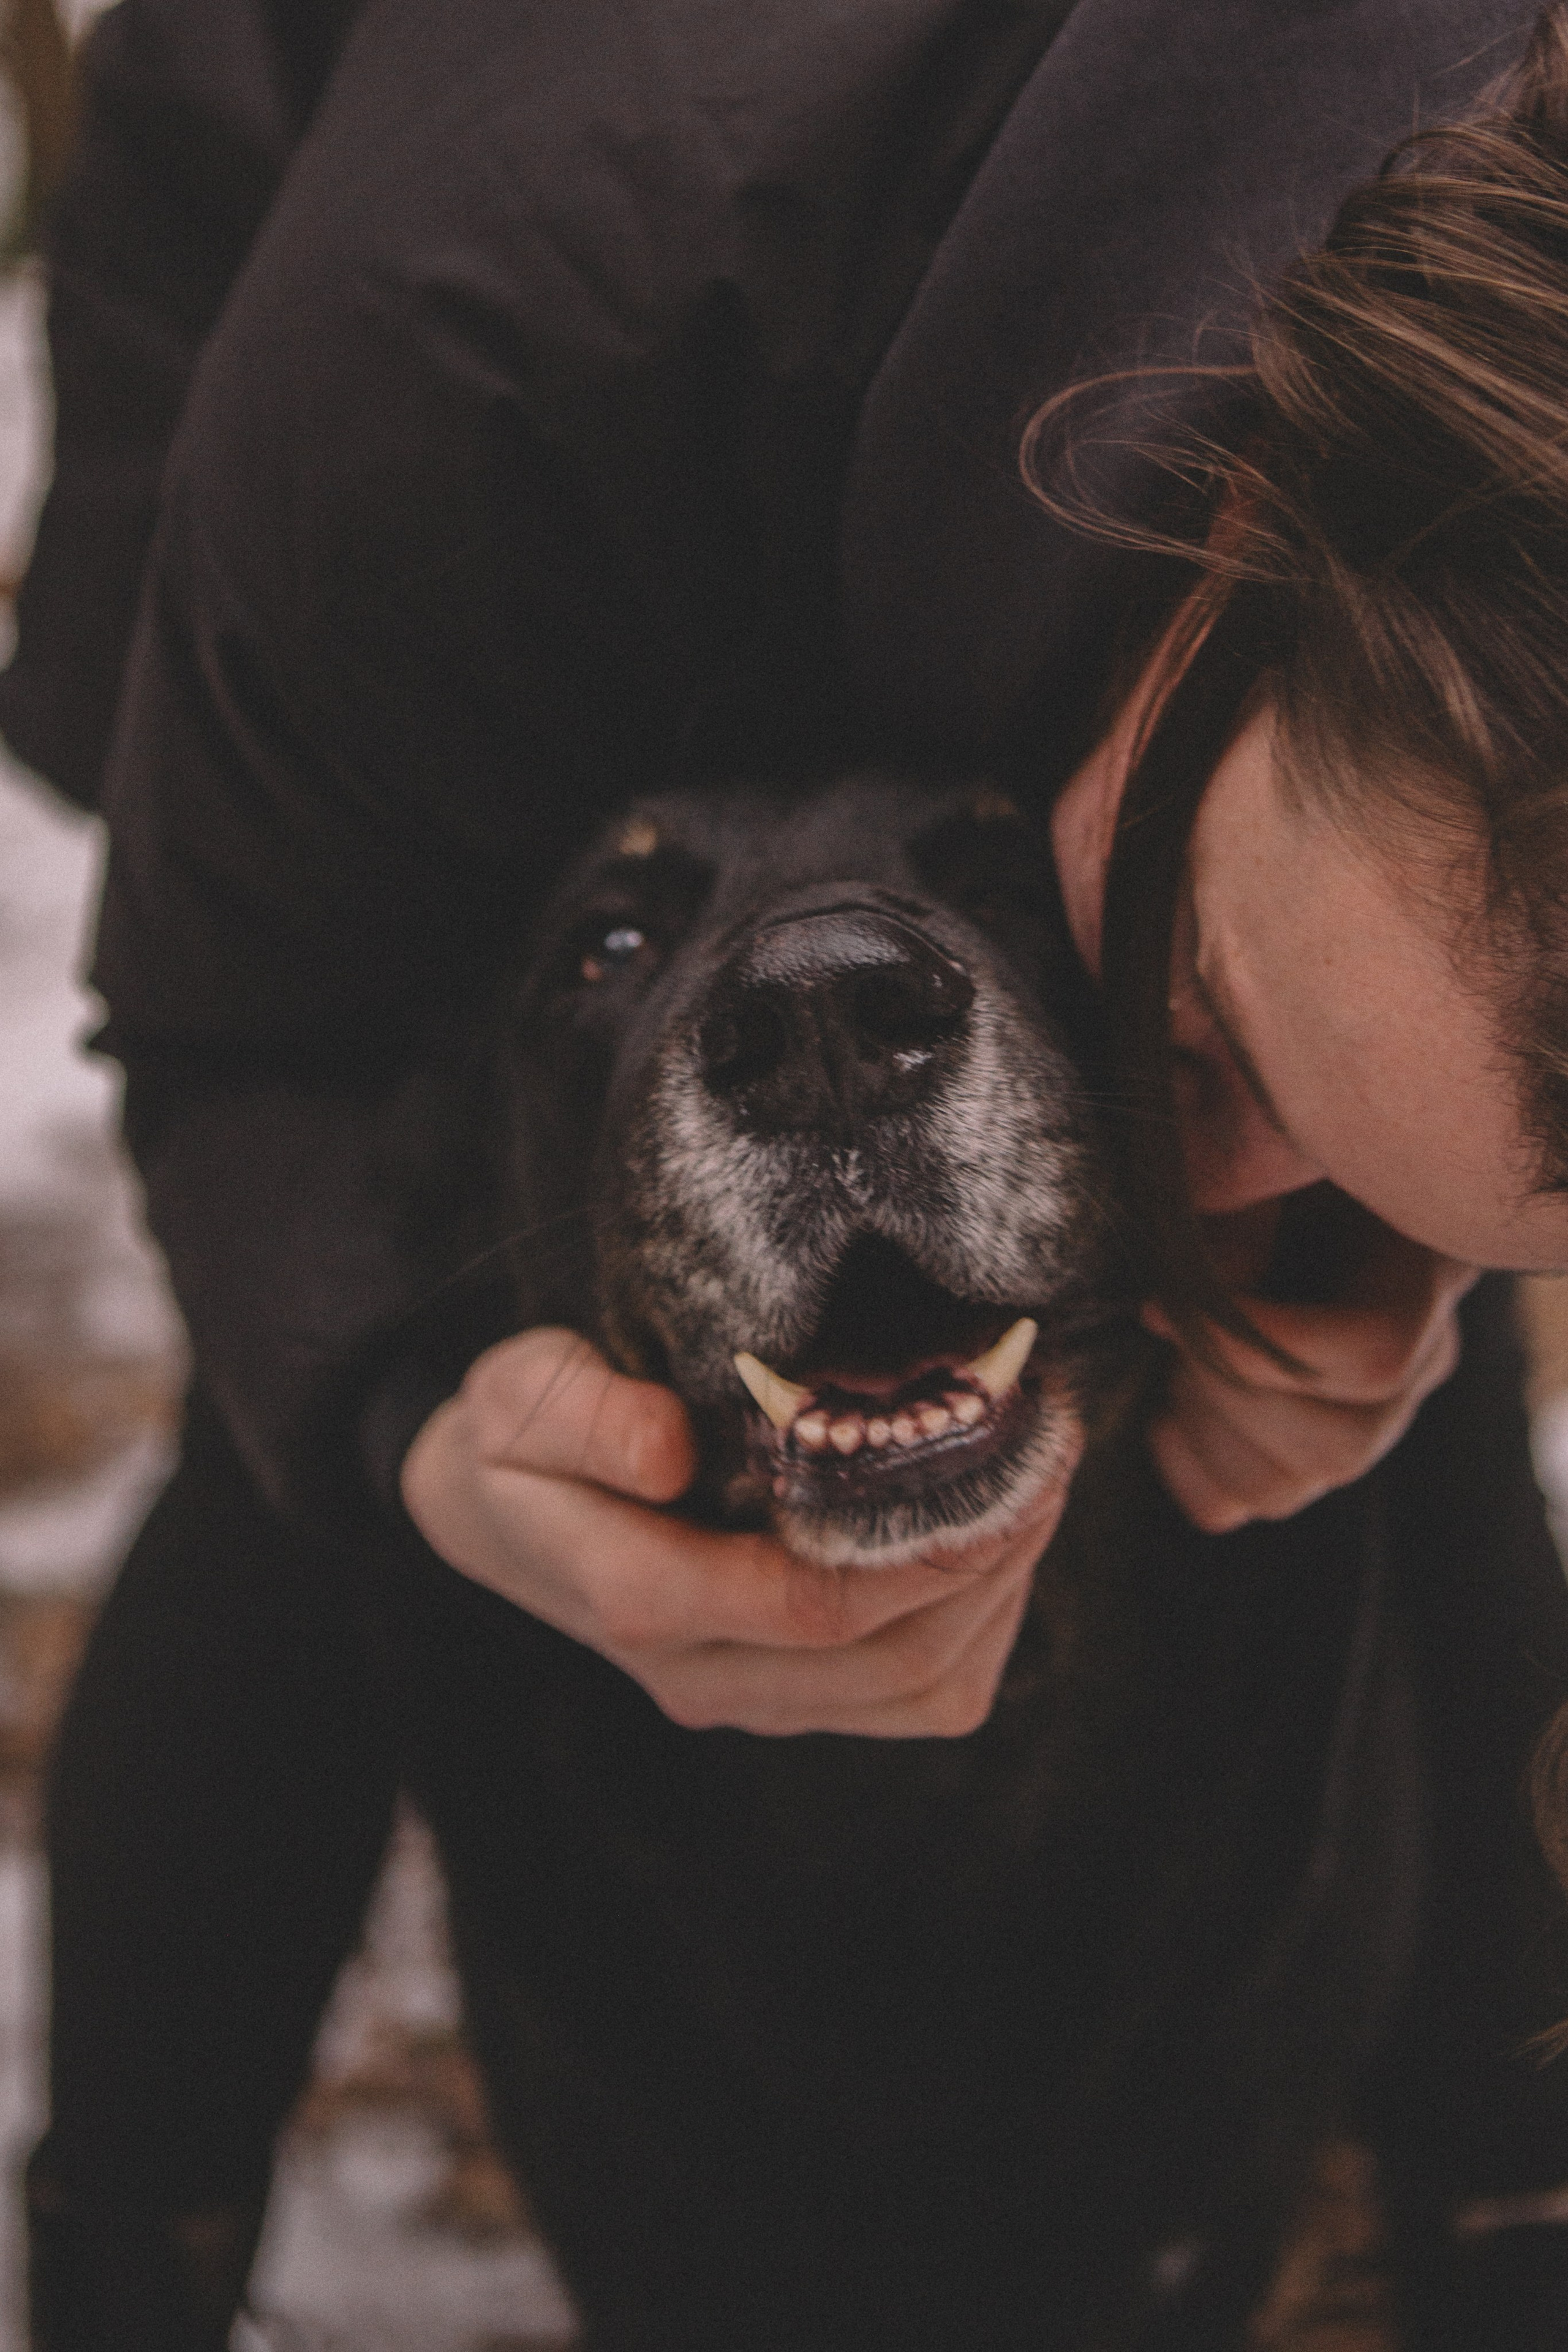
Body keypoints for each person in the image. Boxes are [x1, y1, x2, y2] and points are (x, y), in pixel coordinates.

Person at [7, 0, 1568, 2343]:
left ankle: (1510, 2213)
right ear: (1233, 530)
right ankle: (123, 2252)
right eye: (1204, 1024)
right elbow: (252, 1029)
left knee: (1403, 1403)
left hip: (956, 405)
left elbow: (1405, 985)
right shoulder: (430, 401)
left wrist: (1387, 1224)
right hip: (420, 278)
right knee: (321, 1407)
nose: (1219, 1166)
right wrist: (395, 1416)